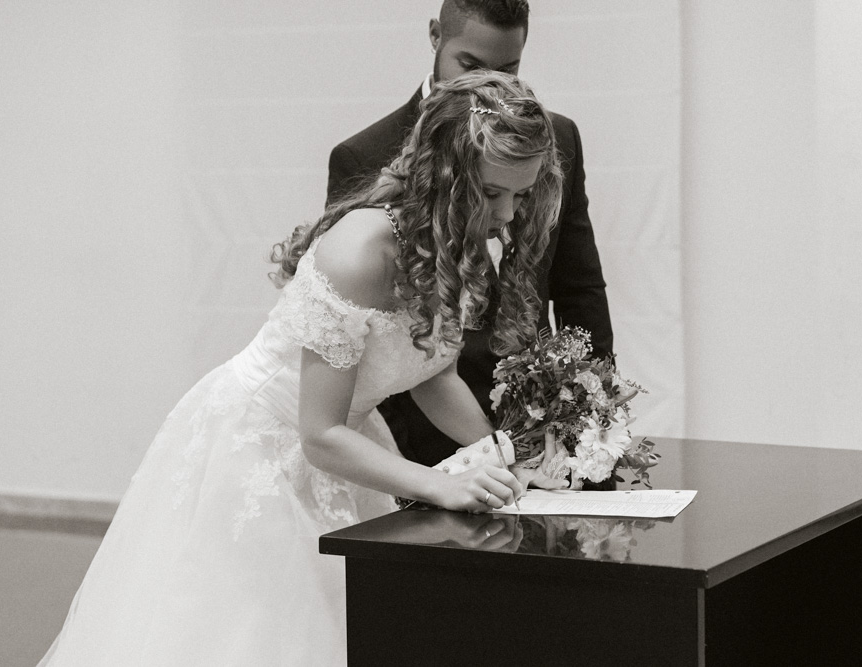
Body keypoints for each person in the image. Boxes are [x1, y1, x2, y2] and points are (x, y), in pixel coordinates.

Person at [39, 71, 565, 667]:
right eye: (494, 193)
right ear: (448, 177)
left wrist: (504, 456)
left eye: (521, 197)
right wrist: (439, 484)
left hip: (349, 443)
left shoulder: (453, 239)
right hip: (264, 447)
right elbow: (319, 434)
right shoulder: (361, 252)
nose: (507, 215)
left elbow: (433, 373)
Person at [328, 0, 613, 468]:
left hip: (524, 411)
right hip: (414, 440)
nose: (490, 84)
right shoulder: (363, 159)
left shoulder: (552, 138)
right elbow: (372, 347)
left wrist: (591, 409)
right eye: (472, 65)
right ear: (436, 36)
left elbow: (579, 284)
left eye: (509, 68)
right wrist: (433, 472)